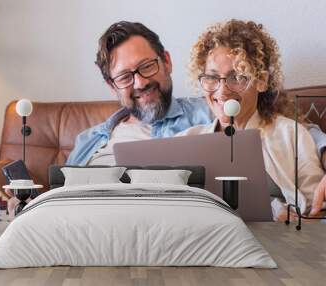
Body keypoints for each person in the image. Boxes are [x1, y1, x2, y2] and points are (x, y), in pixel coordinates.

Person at [66, 21, 326, 169]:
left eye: (147, 66)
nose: (141, 82)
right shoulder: (88, 141)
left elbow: (291, 133)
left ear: (166, 62)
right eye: (125, 77)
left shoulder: (213, 111)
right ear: (112, 85)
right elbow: (59, 193)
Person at [178, 19, 325, 220]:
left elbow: (318, 209)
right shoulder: (185, 141)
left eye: (237, 77)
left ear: (261, 80)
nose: (222, 91)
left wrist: (294, 221)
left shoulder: (291, 134)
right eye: (212, 78)